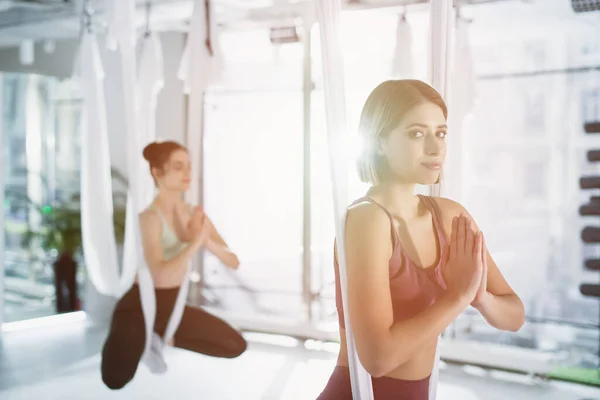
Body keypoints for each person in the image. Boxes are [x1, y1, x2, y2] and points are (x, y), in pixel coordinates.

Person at [317, 80, 525, 399]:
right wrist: (457, 297)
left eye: (440, 132)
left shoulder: (450, 215)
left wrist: (479, 296)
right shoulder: (366, 221)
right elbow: (378, 359)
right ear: (380, 141)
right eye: (416, 133)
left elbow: (514, 315)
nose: (435, 147)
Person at [101, 140, 247, 390]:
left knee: (235, 346)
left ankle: (161, 337)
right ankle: (136, 336)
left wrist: (206, 242)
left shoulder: (195, 214)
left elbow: (233, 261)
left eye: (189, 166)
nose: (188, 173)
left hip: (172, 308)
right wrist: (195, 242)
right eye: (179, 167)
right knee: (115, 379)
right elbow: (158, 273)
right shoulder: (149, 218)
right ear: (158, 173)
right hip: (139, 305)